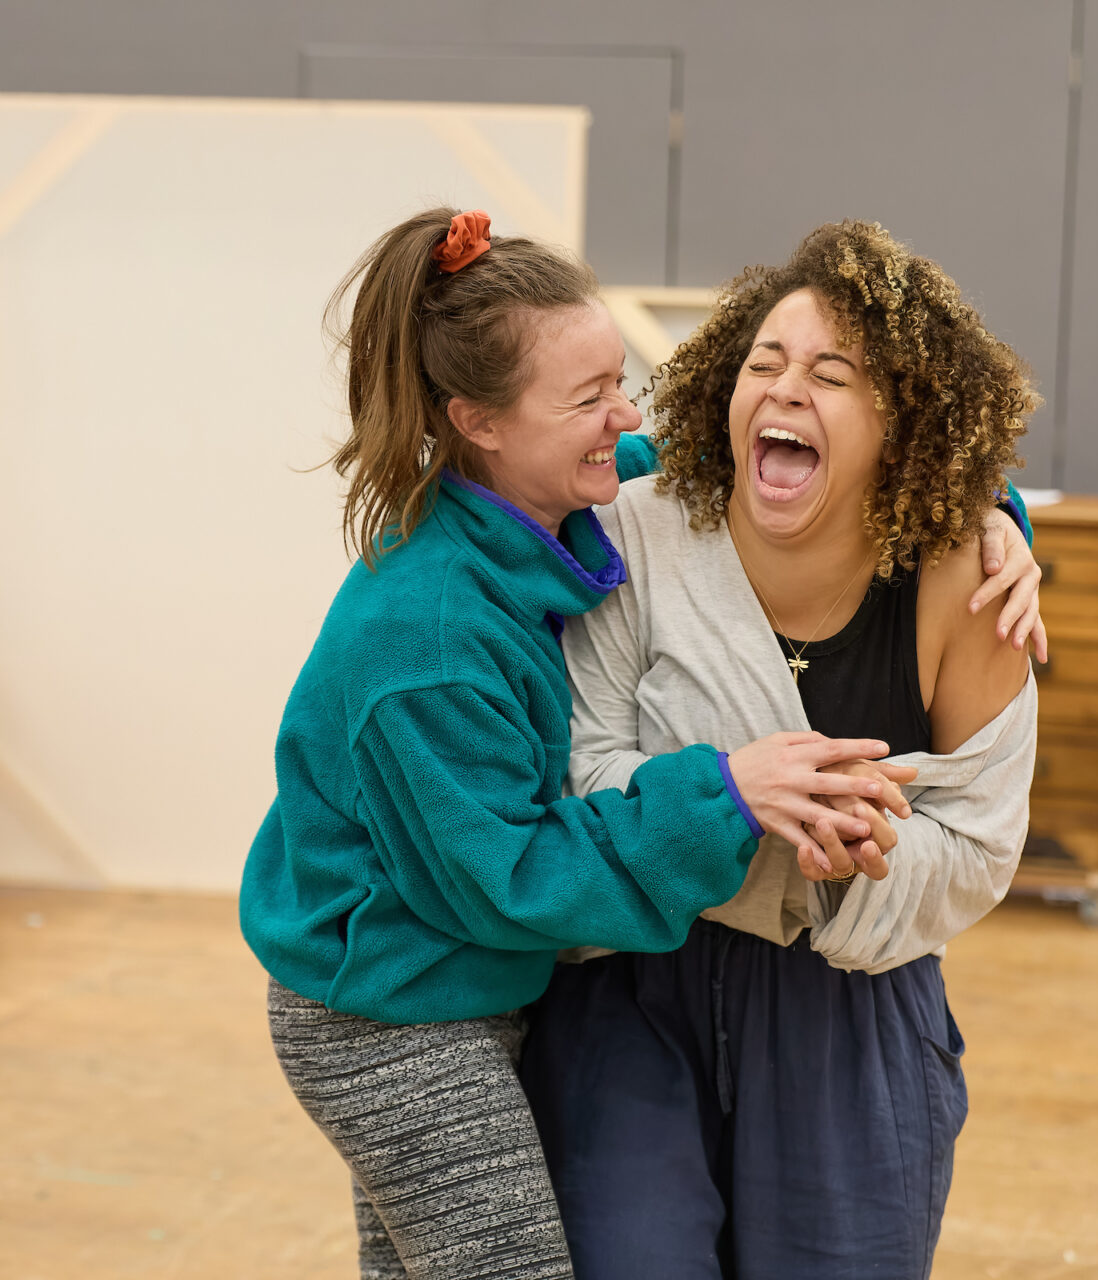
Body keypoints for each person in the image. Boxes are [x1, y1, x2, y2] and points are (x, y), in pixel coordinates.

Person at [238, 208, 1001, 1280]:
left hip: (460, 982)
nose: (625, 415)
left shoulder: (551, 493)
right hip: (392, 1012)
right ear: (479, 420)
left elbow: (761, 454)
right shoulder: (432, 639)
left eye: (620, 382)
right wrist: (723, 796)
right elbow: (512, 879)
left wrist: (986, 510)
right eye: (590, 398)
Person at [519, 220, 1041, 1279]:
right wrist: (727, 799)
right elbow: (577, 777)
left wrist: (859, 858)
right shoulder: (636, 536)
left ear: (902, 425)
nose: (787, 387)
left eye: (831, 373)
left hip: (851, 1010)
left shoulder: (968, 581)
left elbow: (982, 844)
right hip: (632, 989)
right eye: (764, 362)